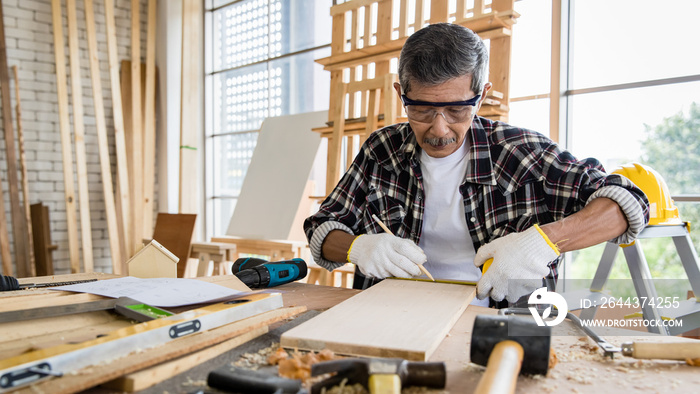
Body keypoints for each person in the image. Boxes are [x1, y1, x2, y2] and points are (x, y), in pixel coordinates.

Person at [303, 23, 649, 307]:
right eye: (422, 110)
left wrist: (544, 242)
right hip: (393, 314)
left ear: (481, 96)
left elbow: (627, 203)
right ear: (401, 93)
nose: (439, 129)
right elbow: (323, 226)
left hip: (502, 323)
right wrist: (356, 247)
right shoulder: (382, 150)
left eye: (457, 110)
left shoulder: (521, 153)